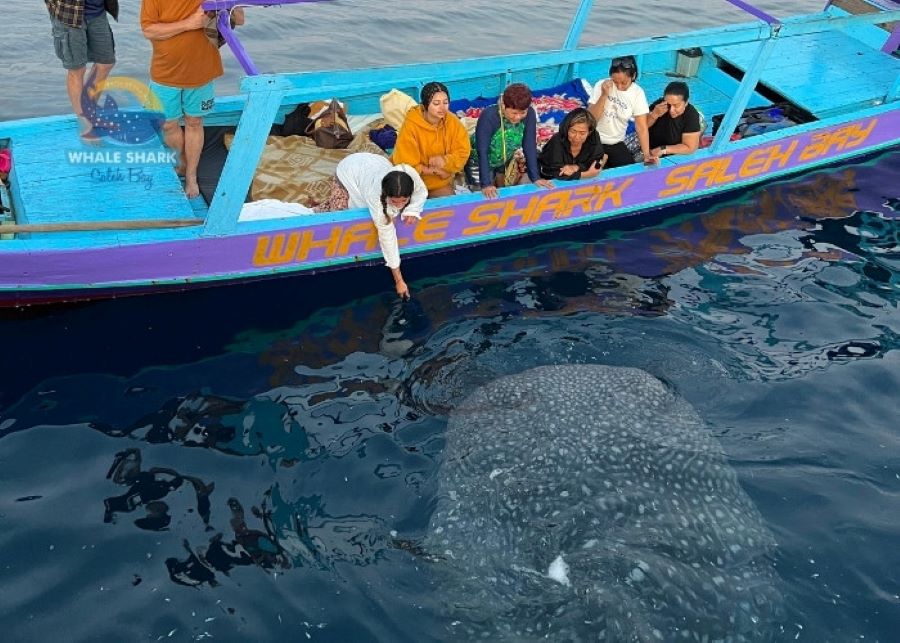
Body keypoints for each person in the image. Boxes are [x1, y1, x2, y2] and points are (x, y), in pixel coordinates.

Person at [140, 1, 244, 199]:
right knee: (168, 124)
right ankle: (183, 162)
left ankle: (191, 176)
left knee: (194, 122)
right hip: (165, 72)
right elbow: (149, 30)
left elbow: (239, 19)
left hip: (201, 70)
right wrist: (189, 23)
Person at [317, 153, 427, 299]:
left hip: (375, 162)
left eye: (404, 200)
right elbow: (388, 239)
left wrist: (412, 209)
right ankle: (323, 205)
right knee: (339, 211)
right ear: (386, 195)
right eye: (394, 201)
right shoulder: (375, 198)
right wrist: (399, 281)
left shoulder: (408, 173)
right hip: (349, 169)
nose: (400, 205)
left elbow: (421, 191)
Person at [45, 0, 119, 142]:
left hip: (98, 12)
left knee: (106, 63)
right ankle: (84, 122)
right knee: (77, 69)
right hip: (69, 15)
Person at [472, 83, 554, 199]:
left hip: (504, 158)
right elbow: (482, 151)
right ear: (504, 106)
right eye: (514, 113)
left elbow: (529, 145)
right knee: (484, 196)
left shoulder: (529, 114)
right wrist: (486, 184)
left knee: (504, 192)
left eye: (522, 113)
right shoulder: (489, 116)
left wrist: (535, 177)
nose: (518, 117)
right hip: (479, 162)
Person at [392, 82, 471, 198]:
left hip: (437, 182)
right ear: (425, 105)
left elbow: (463, 151)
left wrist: (445, 161)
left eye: (445, 102)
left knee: (449, 207)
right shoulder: (411, 126)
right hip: (410, 181)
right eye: (436, 103)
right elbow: (405, 164)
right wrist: (434, 170)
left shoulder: (452, 122)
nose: (442, 108)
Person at [587, 55, 652, 168]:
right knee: (594, 171)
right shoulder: (601, 85)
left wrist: (646, 155)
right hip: (593, 140)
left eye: (624, 83)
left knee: (629, 171)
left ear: (634, 76)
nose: (619, 87)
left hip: (616, 142)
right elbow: (590, 119)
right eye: (615, 82)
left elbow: (641, 127)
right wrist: (604, 95)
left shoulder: (637, 93)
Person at [538, 108, 607, 181]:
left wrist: (576, 167)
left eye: (582, 133)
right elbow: (558, 173)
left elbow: (597, 160)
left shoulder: (593, 137)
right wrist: (586, 174)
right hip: (551, 178)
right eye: (573, 131)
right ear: (566, 129)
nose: (577, 137)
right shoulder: (556, 141)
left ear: (589, 132)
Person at [647, 81, 702, 159]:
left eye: (676, 105)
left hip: (670, 155)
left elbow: (690, 147)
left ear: (686, 102)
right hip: (646, 146)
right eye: (669, 105)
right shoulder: (660, 105)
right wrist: (653, 115)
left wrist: (663, 149)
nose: (671, 110)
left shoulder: (691, 116)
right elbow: (642, 127)